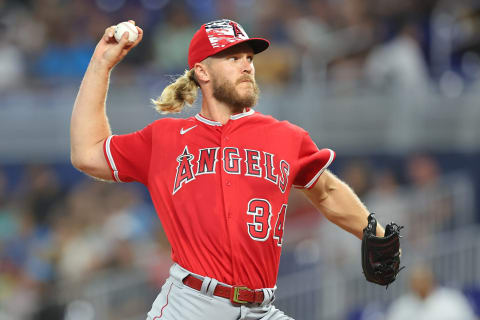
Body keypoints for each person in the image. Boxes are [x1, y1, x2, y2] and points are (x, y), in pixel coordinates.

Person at [70, 18, 386, 320]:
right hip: (191, 305)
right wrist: (101, 64)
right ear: (202, 71)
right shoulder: (164, 139)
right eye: (232, 58)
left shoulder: (286, 137)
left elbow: (327, 191)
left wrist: (376, 233)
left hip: (261, 308)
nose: (246, 65)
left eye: (248, 57)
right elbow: (87, 152)